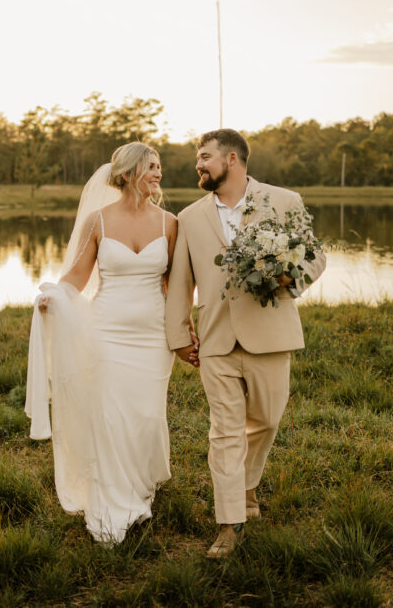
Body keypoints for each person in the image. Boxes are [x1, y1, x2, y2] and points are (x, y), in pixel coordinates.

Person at [165, 128, 327, 558]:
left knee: (267, 420)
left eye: (205, 156)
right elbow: (181, 281)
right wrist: (180, 336)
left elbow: (315, 256)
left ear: (232, 159)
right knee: (224, 433)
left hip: (271, 334)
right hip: (216, 339)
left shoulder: (284, 201)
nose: (198, 164)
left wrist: (286, 278)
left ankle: (248, 486)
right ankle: (229, 524)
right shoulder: (189, 217)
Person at [25, 142, 188, 545]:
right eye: (152, 167)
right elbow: (77, 278)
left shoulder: (170, 223)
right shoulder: (97, 222)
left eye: (159, 167)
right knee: (112, 416)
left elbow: (176, 287)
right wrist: (55, 299)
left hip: (152, 338)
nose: (158, 174)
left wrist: (183, 330)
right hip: (108, 333)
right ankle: (116, 500)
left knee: (147, 416)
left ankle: (141, 484)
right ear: (130, 171)